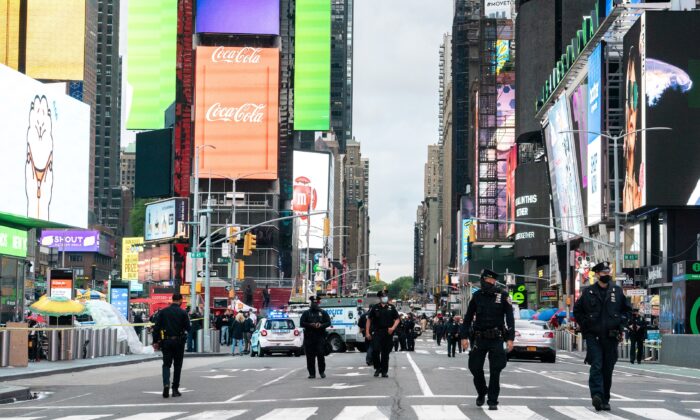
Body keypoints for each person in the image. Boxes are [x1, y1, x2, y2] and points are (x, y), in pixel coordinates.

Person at [574, 261, 633, 412]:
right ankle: (597, 395)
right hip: (593, 335)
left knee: (607, 369)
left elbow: (627, 311)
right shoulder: (588, 292)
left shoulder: (617, 291)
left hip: (611, 336)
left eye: (608, 273)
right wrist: (585, 325)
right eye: (604, 273)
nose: (607, 275)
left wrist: (621, 323)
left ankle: (605, 399)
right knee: (597, 364)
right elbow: (577, 311)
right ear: (597, 274)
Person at [460, 269, 515, 411]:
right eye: (488, 280)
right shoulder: (477, 296)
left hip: (496, 338)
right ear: (483, 280)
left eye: (493, 280)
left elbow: (510, 318)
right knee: (475, 368)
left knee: (495, 370)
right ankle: (482, 391)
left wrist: (510, 338)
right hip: (479, 338)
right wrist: (464, 336)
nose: (491, 282)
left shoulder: (503, 295)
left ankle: (493, 400)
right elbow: (467, 318)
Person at [152, 293, 190, 399]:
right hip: (179, 342)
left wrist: (155, 341)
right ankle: (175, 389)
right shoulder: (183, 313)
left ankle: (166, 384)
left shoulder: (163, 312)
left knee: (166, 364)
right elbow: (188, 327)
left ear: (172, 300)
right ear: (180, 300)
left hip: (166, 342)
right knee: (177, 366)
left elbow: (156, 327)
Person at [366, 290, 400, 378]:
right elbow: (369, 320)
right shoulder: (375, 307)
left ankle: (384, 371)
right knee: (375, 351)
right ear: (380, 298)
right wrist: (367, 332)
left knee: (385, 353)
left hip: (388, 332)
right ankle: (377, 368)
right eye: (383, 296)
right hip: (377, 332)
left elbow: (397, 319)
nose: (385, 297)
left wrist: (392, 328)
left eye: (386, 295)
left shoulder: (391, 307)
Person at [300, 296, 331, 379]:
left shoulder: (323, 312)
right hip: (309, 337)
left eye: (316, 303)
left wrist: (321, 325)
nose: (315, 304)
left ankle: (322, 371)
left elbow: (328, 322)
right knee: (310, 357)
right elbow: (301, 323)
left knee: (321, 355)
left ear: (318, 303)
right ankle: (312, 373)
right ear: (311, 303)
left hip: (320, 337)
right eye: (313, 303)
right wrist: (310, 325)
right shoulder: (306, 313)